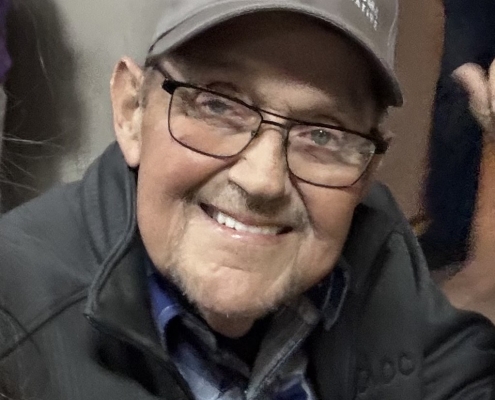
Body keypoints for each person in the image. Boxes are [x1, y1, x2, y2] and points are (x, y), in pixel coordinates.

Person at [0, 0, 494, 399]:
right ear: (132, 111)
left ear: (366, 173)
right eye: (217, 104)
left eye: (323, 134)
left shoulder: (375, 243)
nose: (264, 181)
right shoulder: (15, 319)